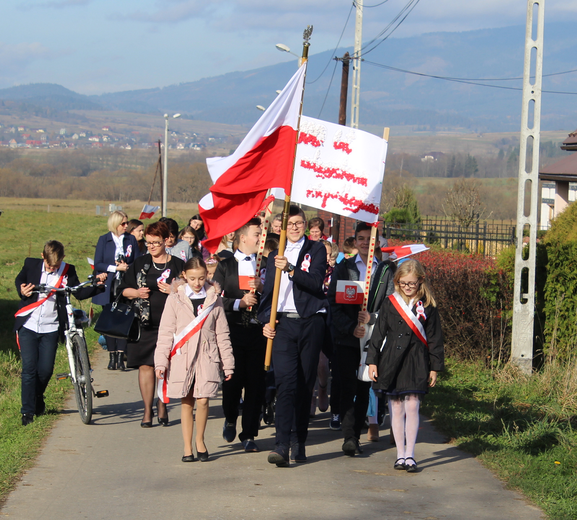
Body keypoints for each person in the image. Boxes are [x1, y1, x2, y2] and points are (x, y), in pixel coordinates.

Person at [259, 205, 329, 466]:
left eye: (300, 222)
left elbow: (315, 283)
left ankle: (300, 440)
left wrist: (290, 268)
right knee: (285, 384)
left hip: (311, 323)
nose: (296, 227)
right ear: (283, 227)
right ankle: (281, 444)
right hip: (284, 326)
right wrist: (266, 321)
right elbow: (268, 294)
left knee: (303, 385)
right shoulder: (274, 255)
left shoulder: (317, 249)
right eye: (291, 223)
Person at [14, 240, 106, 425]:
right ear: (42, 257)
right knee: (29, 370)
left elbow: (78, 293)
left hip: (51, 327)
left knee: (46, 370)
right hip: (29, 324)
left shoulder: (68, 270)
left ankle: (37, 398)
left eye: (55, 266)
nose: (51, 269)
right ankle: (27, 413)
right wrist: (22, 289)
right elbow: (19, 280)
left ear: (62, 259)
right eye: (48, 265)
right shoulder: (30, 264)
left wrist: (98, 286)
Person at [366, 258, 444, 472]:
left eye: (412, 283)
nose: (408, 288)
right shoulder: (390, 302)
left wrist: (435, 366)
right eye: (403, 283)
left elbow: (436, 338)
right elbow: (378, 333)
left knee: (412, 405)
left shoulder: (428, 306)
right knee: (396, 407)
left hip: (417, 360)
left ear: (421, 281)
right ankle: (400, 454)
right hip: (391, 359)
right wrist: (372, 361)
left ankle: (410, 454)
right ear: (397, 281)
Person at [155, 257, 234, 462]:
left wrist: (228, 364)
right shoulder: (174, 299)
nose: (197, 282)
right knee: (187, 401)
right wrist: (161, 363)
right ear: (184, 276)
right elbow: (165, 333)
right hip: (183, 357)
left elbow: (222, 333)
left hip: (207, 356)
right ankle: (187, 447)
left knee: (204, 399)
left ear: (207, 276)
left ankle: (200, 440)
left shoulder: (214, 298)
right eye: (192, 278)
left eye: (201, 278)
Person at [327, 222, 396, 456]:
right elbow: (334, 303)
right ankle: (349, 437)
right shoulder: (344, 267)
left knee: (364, 386)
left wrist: (372, 318)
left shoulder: (386, 270)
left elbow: (390, 304)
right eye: (361, 238)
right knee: (347, 387)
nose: (366, 243)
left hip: (372, 341)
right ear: (355, 241)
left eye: (370, 238)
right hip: (347, 339)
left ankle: (356, 433)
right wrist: (350, 328)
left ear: (376, 242)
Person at [120, 221, 184, 427]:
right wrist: (137, 292)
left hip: (171, 325)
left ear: (167, 241)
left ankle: (162, 402)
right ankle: (147, 410)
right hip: (144, 324)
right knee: (145, 366)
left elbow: (191, 292)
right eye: (148, 243)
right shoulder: (140, 263)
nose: (151, 247)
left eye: (156, 242)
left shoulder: (178, 265)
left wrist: (173, 290)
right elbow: (123, 290)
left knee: (165, 366)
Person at [213, 218, 267, 453]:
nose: (260, 238)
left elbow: (278, 295)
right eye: (257, 234)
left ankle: (249, 434)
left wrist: (264, 288)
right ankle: (230, 416)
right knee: (233, 383)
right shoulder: (225, 265)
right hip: (232, 331)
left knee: (256, 384)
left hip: (259, 332)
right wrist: (239, 303)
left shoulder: (265, 264)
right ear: (242, 237)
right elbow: (213, 298)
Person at [93, 210, 141, 371]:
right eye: (123, 223)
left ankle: (121, 356)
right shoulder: (104, 240)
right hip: (108, 285)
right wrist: (115, 268)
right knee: (109, 319)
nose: (126, 226)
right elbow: (98, 263)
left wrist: (127, 268)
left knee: (123, 318)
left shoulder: (131, 239)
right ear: (115, 224)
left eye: (127, 223)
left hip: (125, 284)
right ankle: (111, 355)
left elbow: (137, 260)